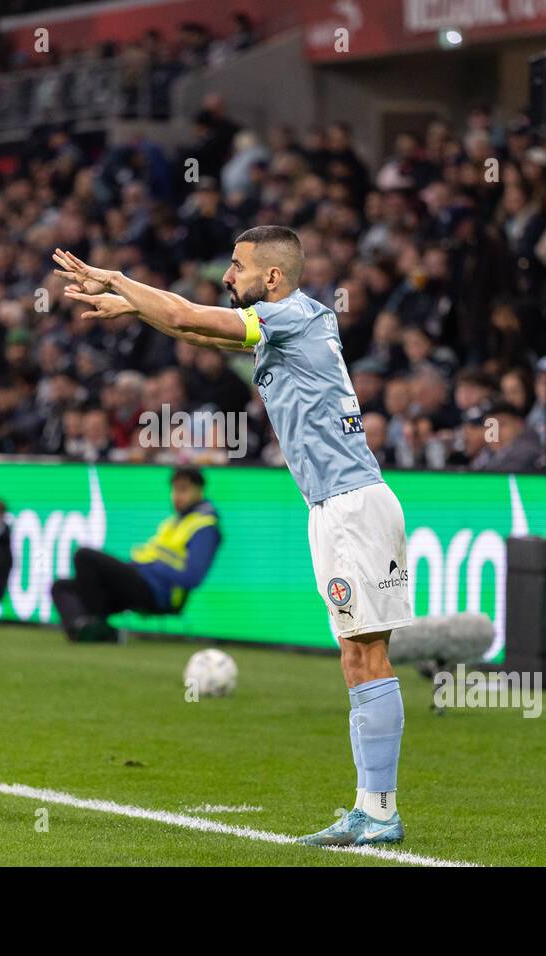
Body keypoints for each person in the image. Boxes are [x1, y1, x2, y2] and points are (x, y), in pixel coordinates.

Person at [53, 225, 412, 847]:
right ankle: (370, 808)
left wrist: (121, 282)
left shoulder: (294, 316)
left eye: (238, 266)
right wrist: (137, 307)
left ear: (271, 278)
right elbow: (193, 328)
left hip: (355, 506)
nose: (228, 276)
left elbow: (195, 315)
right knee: (355, 655)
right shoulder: (286, 323)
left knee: (369, 654)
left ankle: (380, 811)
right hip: (331, 508)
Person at [49, 466, 222, 644]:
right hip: (140, 582)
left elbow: (193, 577)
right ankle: (88, 629)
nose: (177, 495)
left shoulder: (204, 527)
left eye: (184, 489)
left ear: (199, 491)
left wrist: (154, 567)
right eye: (175, 489)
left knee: (84, 555)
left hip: (158, 592)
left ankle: (96, 625)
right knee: (61, 587)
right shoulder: (174, 522)